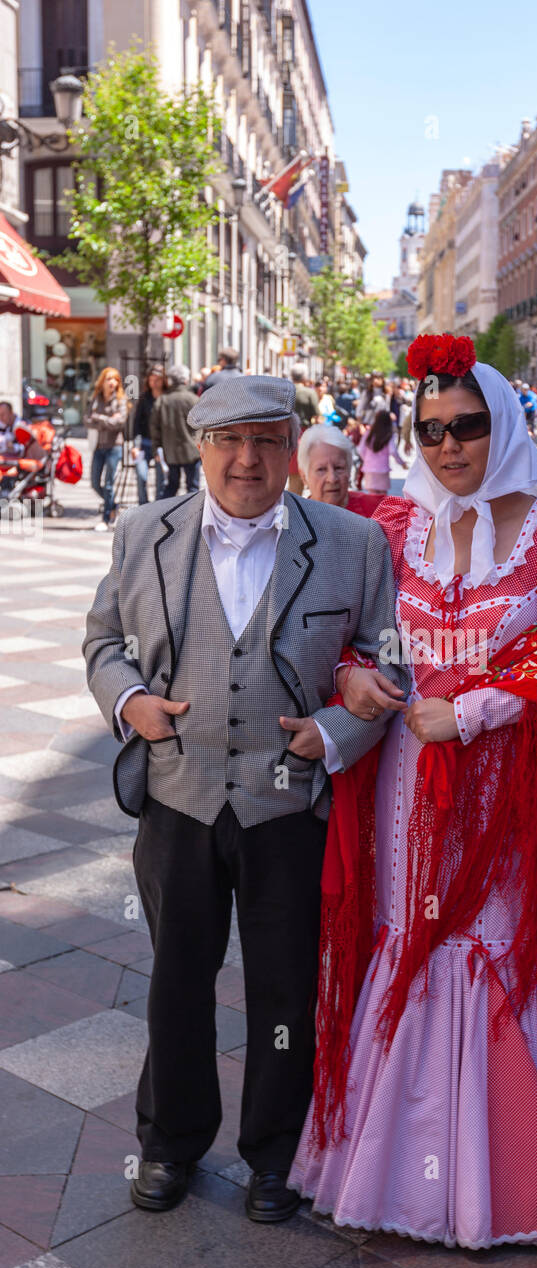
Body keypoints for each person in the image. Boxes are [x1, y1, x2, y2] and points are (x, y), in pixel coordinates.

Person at [289, 332, 537, 1247]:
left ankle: (500, 1185)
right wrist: (357, 678)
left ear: (503, 423)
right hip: (403, 792)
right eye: (430, 430)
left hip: (496, 801)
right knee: (407, 938)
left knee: (486, 945)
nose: (448, 447)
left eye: (466, 427)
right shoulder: (393, 529)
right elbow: (360, 636)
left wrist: (475, 710)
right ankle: (396, 1178)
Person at [83, 375, 407, 1222]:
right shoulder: (143, 532)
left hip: (287, 807)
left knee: (285, 988)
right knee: (176, 981)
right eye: (228, 440)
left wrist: (337, 730)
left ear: (291, 447)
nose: (246, 459)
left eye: (266, 440)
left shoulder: (351, 544)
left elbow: (390, 662)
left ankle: (277, 1152)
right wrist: (129, 704)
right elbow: (103, 641)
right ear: (202, 446)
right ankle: (169, 1144)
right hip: (178, 798)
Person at [297, 422, 382, 516]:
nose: (332, 479)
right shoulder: (293, 521)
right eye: (321, 469)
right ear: (304, 477)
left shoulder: (378, 512)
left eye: (338, 468)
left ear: (349, 471)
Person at [85, 367, 129, 532]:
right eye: (109, 379)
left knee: (109, 483)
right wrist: (107, 419)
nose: (112, 382)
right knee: (95, 482)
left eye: (115, 379)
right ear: (102, 381)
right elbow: (87, 420)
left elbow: (119, 423)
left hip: (114, 446)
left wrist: (99, 418)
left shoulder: (121, 400)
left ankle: (106, 518)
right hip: (99, 445)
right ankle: (113, 506)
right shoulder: (96, 399)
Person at [150, 365, 201, 498]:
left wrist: (157, 449)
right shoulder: (193, 399)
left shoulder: (162, 400)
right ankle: (193, 516)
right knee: (193, 487)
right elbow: (202, 426)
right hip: (193, 451)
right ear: (185, 380)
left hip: (170, 451)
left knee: (171, 486)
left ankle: (164, 515)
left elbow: (154, 429)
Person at [131, 364, 166, 506]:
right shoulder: (144, 398)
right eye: (151, 380)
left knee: (161, 479)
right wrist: (135, 446)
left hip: (161, 445)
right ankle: (143, 505)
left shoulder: (167, 398)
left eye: (157, 379)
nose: (154, 383)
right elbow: (136, 423)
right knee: (141, 475)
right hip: (144, 443)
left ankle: (158, 508)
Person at [357, 408, 407, 495]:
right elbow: (393, 451)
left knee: (371, 495)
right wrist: (402, 463)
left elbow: (360, 449)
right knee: (382, 496)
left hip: (369, 468)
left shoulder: (369, 433)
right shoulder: (388, 434)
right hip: (382, 468)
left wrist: (366, 460)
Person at [288, 365, 320, 497]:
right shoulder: (309, 393)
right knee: (300, 473)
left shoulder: (286, 391)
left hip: (287, 433)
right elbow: (317, 415)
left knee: (293, 475)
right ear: (304, 376)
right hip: (303, 434)